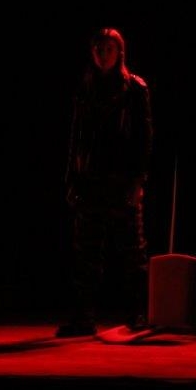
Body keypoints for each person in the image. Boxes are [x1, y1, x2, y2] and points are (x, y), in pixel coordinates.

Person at [56, 27, 154, 337]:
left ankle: (138, 314)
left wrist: (138, 180)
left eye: (108, 49)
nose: (102, 54)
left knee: (132, 252)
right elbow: (76, 138)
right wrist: (72, 179)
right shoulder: (85, 89)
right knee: (86, 253)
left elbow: (143, 139)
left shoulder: (134, 89)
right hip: (90, 181)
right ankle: (83, 318)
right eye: (98, 49)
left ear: (119, 52)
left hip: (121, 180)